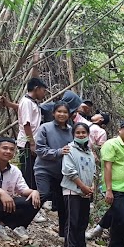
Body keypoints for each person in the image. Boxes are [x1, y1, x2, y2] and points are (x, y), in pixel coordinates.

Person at [34, 101, 73, 238]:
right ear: (53, 113)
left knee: (63, 202)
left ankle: (64, 233)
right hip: (44, 169)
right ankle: (20, 222)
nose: (62, 114)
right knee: (43, 195)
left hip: (62, 172)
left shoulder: (70, 131)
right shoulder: (45, 127)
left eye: (65, 112)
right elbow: (39, 150)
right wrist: (58, 152)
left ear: (69, 115)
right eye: (59, 111)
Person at [60, 123, 96, 247]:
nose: (81, 135)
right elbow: (69, 171)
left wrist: (91, 186)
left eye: (84, 133)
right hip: (72, 191)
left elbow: (92, 171)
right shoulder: (69, 149)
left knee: (83, 221)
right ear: (73, 134)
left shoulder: (89, 152)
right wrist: (83, 186)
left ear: (88, 134)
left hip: (85, 192)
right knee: (72, 221)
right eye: (78, 133)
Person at [15, 77, 48, 190]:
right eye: (43, 91)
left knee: (33, 170)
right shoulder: (27, 102)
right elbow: (26, 124)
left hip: (32, 141)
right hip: (27, 143)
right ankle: (28, 195)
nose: (44, 94)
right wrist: (32, 143)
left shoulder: (32, 102)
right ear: (36, 88)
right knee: (28, 171)